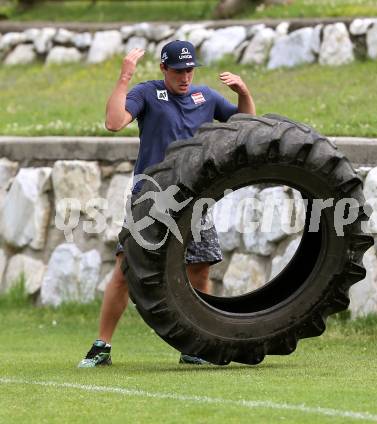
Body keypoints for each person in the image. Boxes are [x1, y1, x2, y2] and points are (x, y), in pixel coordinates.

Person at [78, 40, 256, 368]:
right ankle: (101, 346)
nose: (185, 76)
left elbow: (245, 126)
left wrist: (243, 93)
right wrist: (124, 77)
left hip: (195, 198)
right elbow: (115, 122)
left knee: (200, 268)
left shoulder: (207, 97)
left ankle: (195, 344)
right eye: (178, 70)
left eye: (189, 69)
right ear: (163, 69)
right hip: (151, 197)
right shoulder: (148, 93)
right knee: (125, 271)